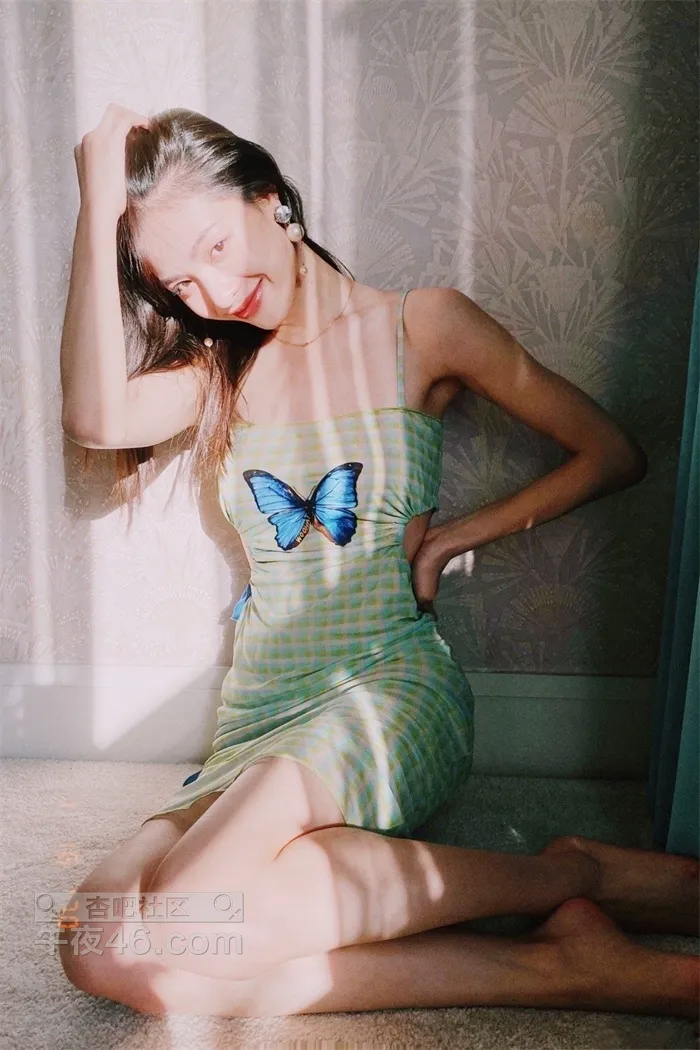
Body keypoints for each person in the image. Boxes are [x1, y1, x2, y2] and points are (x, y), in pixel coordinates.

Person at [57, 103, 699, 1020]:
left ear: (270, 199)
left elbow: (611, 453)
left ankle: (565, 876)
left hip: (385, 686)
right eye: (181, 283)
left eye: (216, 247)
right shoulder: (219, 372)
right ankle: (563, 959)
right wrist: (97, 200)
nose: (215, 292)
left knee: (191, 912)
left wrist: (450, 539)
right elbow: (95, 418)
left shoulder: (421, 326)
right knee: (101, 948)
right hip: (259, 716)